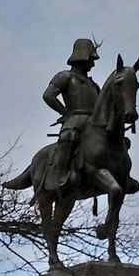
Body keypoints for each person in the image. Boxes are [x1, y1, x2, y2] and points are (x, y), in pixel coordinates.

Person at [42, 38, 101, 191]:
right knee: (68, 136)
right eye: (91, 59)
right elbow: (48, 95)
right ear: (83, 57)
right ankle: (60, 175)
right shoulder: (65, 77)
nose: (93, 64)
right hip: (75, 118)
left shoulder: (93, 85)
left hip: (94, 121)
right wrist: (65, 112)